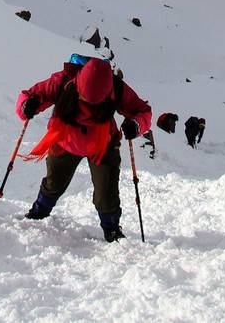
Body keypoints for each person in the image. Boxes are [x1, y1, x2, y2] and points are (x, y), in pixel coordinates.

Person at [17, 55, 152, 242]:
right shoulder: (63, 80)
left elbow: (142, 111)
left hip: (102, 143)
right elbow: (31, 95)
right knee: (54, 182)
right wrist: (27, 105)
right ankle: (39, 212)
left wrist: (136, 125)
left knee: (106, 191)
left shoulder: (117, 88)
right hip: (66, 139)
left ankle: (111, 229)